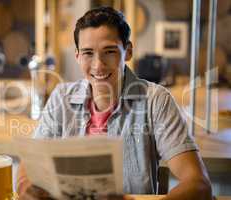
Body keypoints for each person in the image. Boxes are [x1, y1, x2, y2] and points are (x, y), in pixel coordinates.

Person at [17, 6, 212, 200]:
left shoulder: (156, 100)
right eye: (88, 53)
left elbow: (199, 184)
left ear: (127, 52)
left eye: (109, 52)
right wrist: (27, 188)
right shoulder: (61, 97)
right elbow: (29, 166)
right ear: (77, 56)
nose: (98, 65)